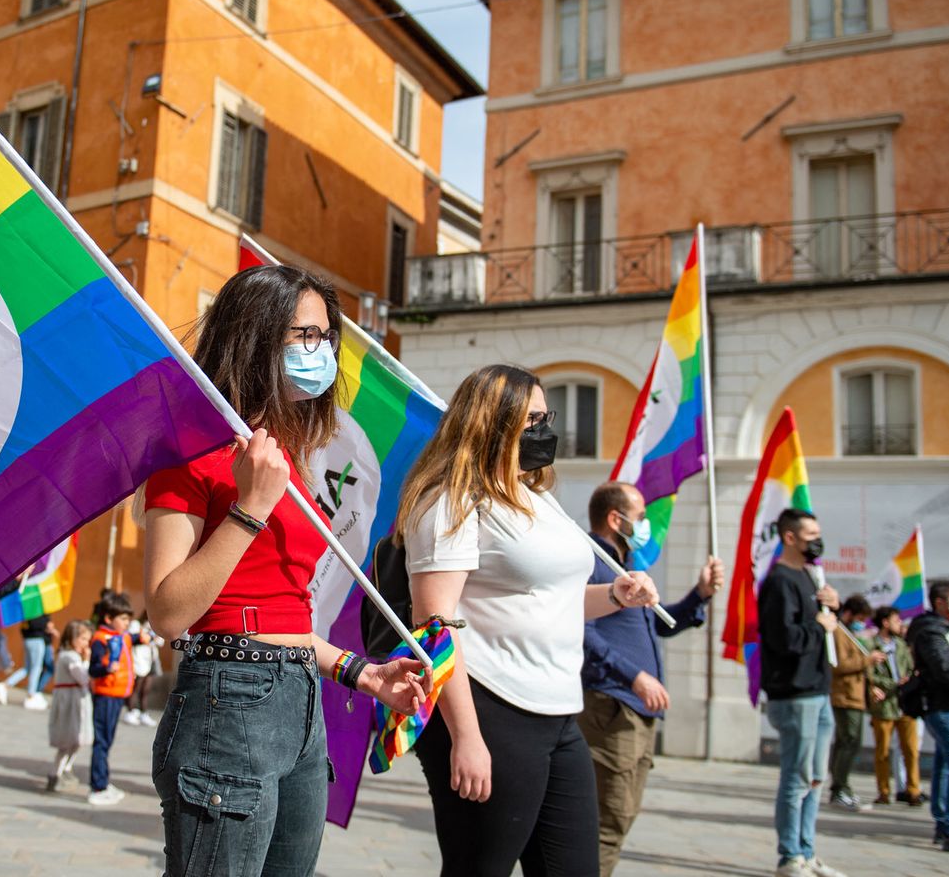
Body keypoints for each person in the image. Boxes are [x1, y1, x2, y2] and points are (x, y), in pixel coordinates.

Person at [142, 264, 426, 874]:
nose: (321, 352)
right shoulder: (191, 449)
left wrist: (361, 673)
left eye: (326, 338)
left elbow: (282, 614)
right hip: (226, 702)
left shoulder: (283, 456)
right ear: (256, 336)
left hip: (300, 703)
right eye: (305, 336)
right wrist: (249, 508)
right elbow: (167, 612)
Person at [397, 364, 662, 877]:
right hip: (492, 708)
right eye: (531, 418)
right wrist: (466, 738)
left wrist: (617, 594)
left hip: (561, 713)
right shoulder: (451, 502)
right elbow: (434, 623)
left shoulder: (538, 499)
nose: (545, 429)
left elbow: (553, 598)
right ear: (492, 424)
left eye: (547, 416)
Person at [577, 481, 725, 876]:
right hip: (612, 705)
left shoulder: (629, 565)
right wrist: (635, 676)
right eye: (640, 516)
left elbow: (661, 624)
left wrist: (700, 594)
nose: (644, 524)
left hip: (635, 710)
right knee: (607, 821)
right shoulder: (592, 560)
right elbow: (579, 628)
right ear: (615, 518)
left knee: (621, 817)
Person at [757, 508, 849, 877]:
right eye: (811, 535)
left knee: (815, 779)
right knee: (797, 779)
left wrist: (833, 609)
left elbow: (818, 627)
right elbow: (784, 639)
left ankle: (808, 851)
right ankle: (790, 856)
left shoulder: (810, 577)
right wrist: (819, 624)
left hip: (818, 689)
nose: (817, 541)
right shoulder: (780, 581)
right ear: (790, 537)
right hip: (795, 694)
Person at [906, 580, 949, 852]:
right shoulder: (931, 631)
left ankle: (945, 825)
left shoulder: (947, 629)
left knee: (946, 766)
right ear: (940, 602)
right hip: (945, 708)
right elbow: (946, 671)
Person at [828, 594, 885, 812]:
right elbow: (840, 665)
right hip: (844, 695)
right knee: (850, 741)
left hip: (856, 695)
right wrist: (867, 660)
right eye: (860, 617)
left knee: (848, 742)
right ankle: (839, 787)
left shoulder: (851, 633)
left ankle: (842, 786)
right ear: (850, 613)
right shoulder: (838, 632)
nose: (862, 622)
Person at [864, 605, 922, 807]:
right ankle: (883, 791)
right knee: (883, 751)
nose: (900, 624)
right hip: (884, 705)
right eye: (896, 620)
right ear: (885, 622)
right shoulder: (871, 646)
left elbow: (911, 669)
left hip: (905, 704)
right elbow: (869, 675)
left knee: (911, 750)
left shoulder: (901, 645)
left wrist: (909, 682)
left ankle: (913, 790)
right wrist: (892, 684)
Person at [87, 591, 139, 805]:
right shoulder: (101, 640)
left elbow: (134, 638)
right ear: (109, 619)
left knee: (107, 741)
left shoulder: (122, 636)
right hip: (105, 695)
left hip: (118, 695)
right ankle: (97, 787)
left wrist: (146, 637)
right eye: (124, 619)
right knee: (102, 742)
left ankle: (103, 781)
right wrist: (108, 668)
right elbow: (94, 669)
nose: (128, 623)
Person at [47, 620, 94, 792]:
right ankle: (56, 774)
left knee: (76, 740)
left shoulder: (71, 656)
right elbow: (82, 677)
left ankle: (66, 768)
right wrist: (87, 660)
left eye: (87, 640)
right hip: (70, 702)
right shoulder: (69, 657)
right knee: (67, 740)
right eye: (82, 639)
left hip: (76, 700)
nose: (85, 643)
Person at [123, 612, 162, 726]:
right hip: (139, 660)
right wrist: (147, 636)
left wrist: (152, 637)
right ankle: (131, 711)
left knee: (146, 689)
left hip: (151, 660)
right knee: (136, 687)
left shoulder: (156, 625)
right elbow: (133, 639)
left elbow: (160, 641)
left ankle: (143, 712)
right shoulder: (136, 624)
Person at [21, 615, 53, 711]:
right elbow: (42, 625)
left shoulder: (28, 610)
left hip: (28, 639)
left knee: (28, 668)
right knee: (36, 668)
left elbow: (24, 628)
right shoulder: (40, 613)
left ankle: (6, 685)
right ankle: (31, 695)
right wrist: (48, 625)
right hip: (37, 639)